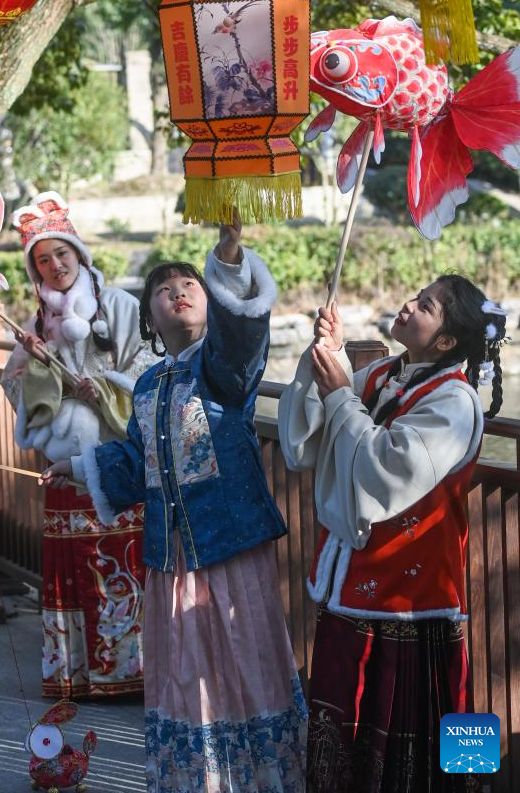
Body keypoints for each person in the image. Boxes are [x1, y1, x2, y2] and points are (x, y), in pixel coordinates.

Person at [43, 212, 308, 793]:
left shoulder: (223, 370)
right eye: (163, 289)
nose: (178, 292)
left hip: (229, 545)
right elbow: (138, 465)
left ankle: (262, 779)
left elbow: (242, 342)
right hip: (172, 557)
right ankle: (201, 780)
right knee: (188, 671)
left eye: (189, 284)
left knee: (245, 659)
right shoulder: (147, 385)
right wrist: (75, 465)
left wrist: (230, 256)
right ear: (150, 319)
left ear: (211, 303)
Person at [278, 276, 507, 793]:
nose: (407, 304)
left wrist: (340, 394)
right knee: (346, 724)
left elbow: (386, 470)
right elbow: (308, 443)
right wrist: (327, 357)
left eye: (424, 306)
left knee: (425, 722)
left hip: (414, 596)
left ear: (446, 342)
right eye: (415, 296)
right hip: (354, 584)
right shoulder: (383, 374)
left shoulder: (455, 402)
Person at [1, 192, 153, 699]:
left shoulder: (123, 307)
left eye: (61, 253)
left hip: (117, 462)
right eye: (42, 260)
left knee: (123, 563)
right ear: (35, 271)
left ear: (80, 254)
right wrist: (43, 373)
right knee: (72, 568)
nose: (54, 265)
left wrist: (106, 388)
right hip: (66, 466)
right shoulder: (35, 327)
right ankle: (76, 674)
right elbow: (14, 388)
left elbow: (149, 370)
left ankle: (130, 672)